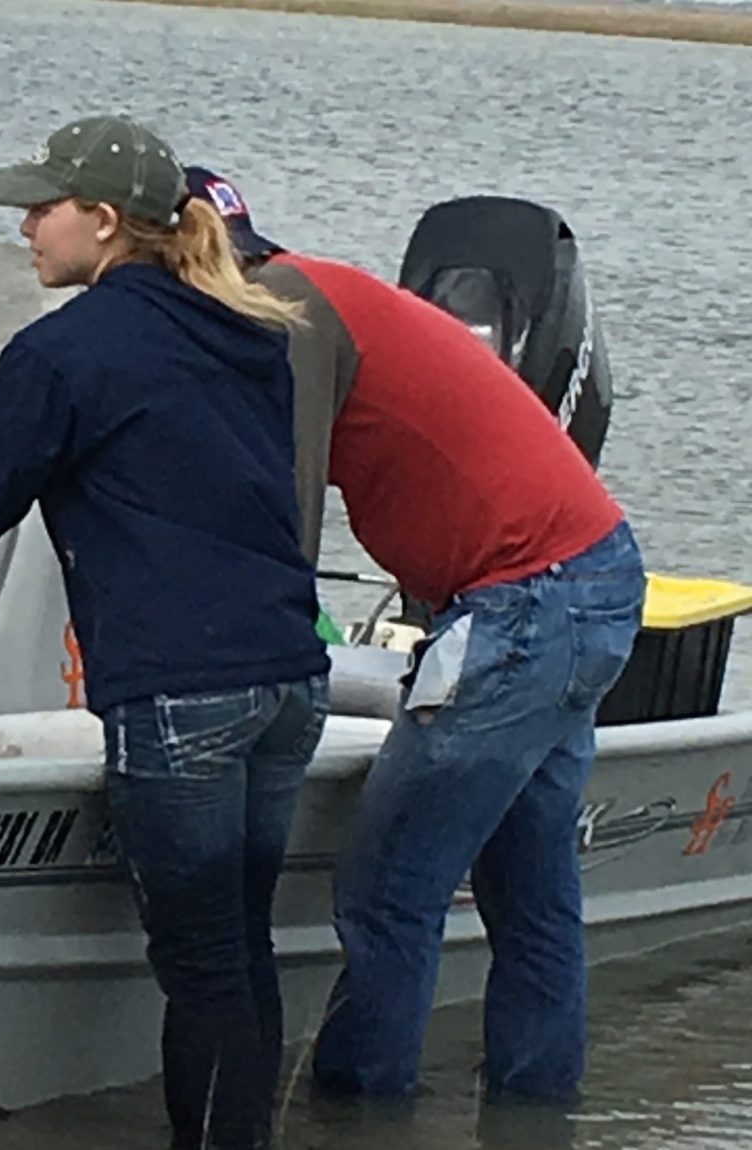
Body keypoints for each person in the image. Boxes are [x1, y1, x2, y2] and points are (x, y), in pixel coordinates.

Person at [0, 115, 331, 1150]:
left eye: (39, 209)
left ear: (102, 223)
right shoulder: (244, 333)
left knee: (198, 966)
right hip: (284, 677)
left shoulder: (64, 349)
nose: (22, 227)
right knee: (239, 949)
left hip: (180, 691)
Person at [184, 166, 647, 1103]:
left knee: (390, 887)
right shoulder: (319, 289)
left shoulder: (285, 308)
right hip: (589, 577)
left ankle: (355, 1114)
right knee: (532, 893)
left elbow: (286, 511)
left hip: (524, 605)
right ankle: (531, 1111)